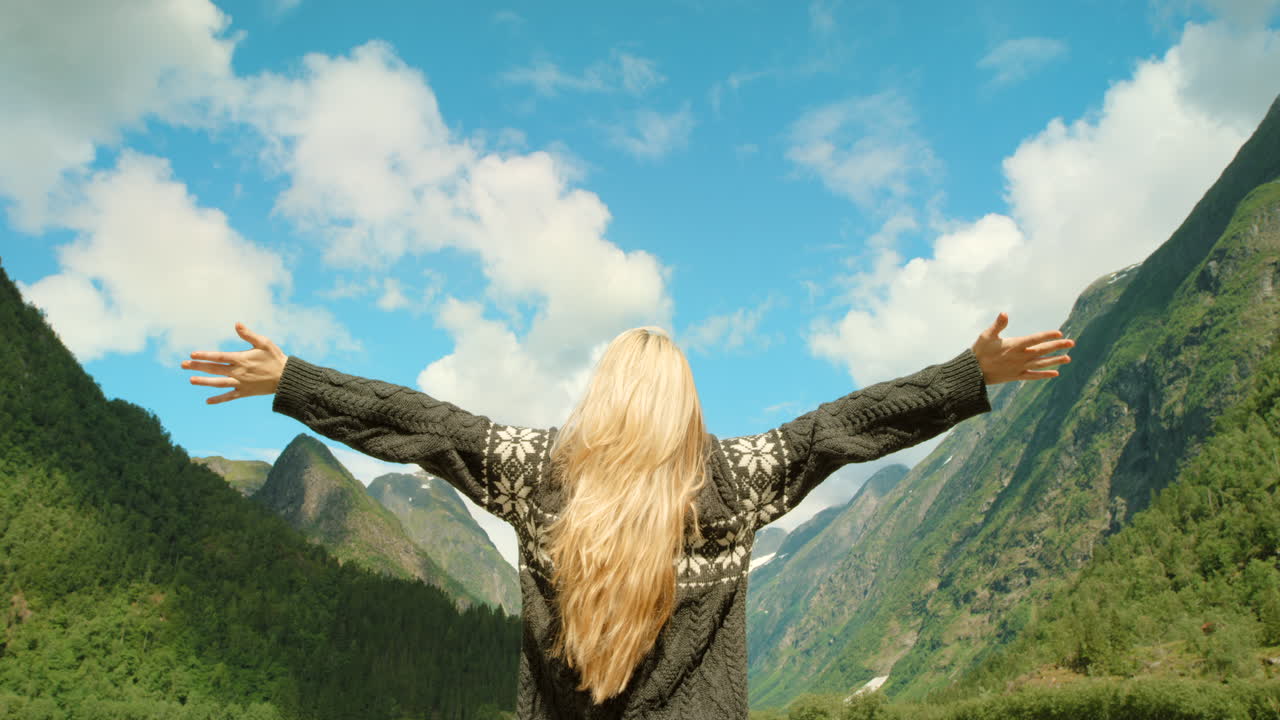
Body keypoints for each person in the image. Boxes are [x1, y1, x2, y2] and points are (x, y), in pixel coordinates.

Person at [183, 313, 1072, 719]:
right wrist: (967, 375)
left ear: (602, 397)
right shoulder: (738, 479)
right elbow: (846, 427)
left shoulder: (537, 477)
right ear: (684, 404)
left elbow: (418, 424)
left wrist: (295, 382)